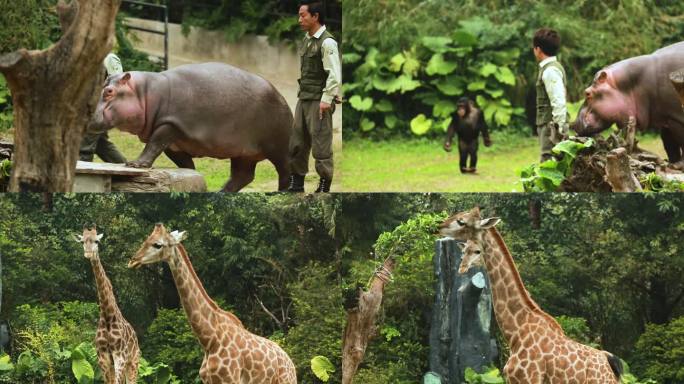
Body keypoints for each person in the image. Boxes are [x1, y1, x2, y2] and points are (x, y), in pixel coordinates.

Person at [288, 1, 341, 193]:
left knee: (321, 144)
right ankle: (297, 183)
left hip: (319, 101)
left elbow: (334, 74)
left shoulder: (327, 42)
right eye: (299, 15)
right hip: (304, 98)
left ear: (315, 16)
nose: (299, 19)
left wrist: (327, 99)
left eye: (303, 15)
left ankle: (324, 185)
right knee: (297, 142)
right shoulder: (307, 39)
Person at [79, 53, 127, 163]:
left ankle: (81, 177)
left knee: (84, 147)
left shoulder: (109, 58)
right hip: (91, 104)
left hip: (99, 107)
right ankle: (124, 168)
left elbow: (116, 82)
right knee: (102, 145)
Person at [533, 28, 570, 162]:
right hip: (549, 126)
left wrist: (558, 130)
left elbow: (558, 101)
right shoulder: (549, 68)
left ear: (538, 49)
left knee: (549, 162)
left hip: (552, 127)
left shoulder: (550, 70)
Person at [443, 97, 491, 174]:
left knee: (473, 153)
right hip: (462, 138)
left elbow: (483, 125)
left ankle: (472, 168)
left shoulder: (477, 113)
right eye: (458, 107)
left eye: (462, 107)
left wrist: (486, 137)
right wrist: (448, 141)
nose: (460, 110)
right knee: (463, 154)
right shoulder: (457, 115)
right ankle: (463, 169)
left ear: (468, 106)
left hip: (473, 137)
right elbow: (452, 127)